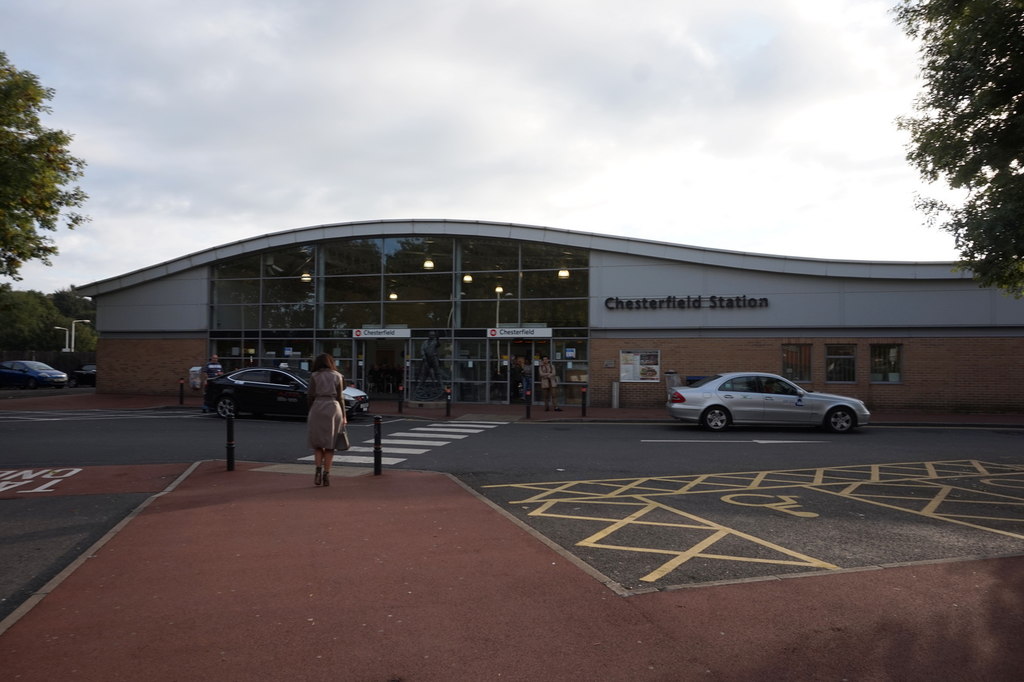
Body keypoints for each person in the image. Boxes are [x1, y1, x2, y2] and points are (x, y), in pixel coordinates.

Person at [306, 353, 346, 487]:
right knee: (330, 444)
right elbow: (340, 397)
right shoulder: (337, 376)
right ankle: (326, 474)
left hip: (317, 406)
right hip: (333, 408)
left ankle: (317, 471)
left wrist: (311, 409)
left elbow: (310, 395)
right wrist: (344, 416)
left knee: (317, 444)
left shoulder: (314, 376)